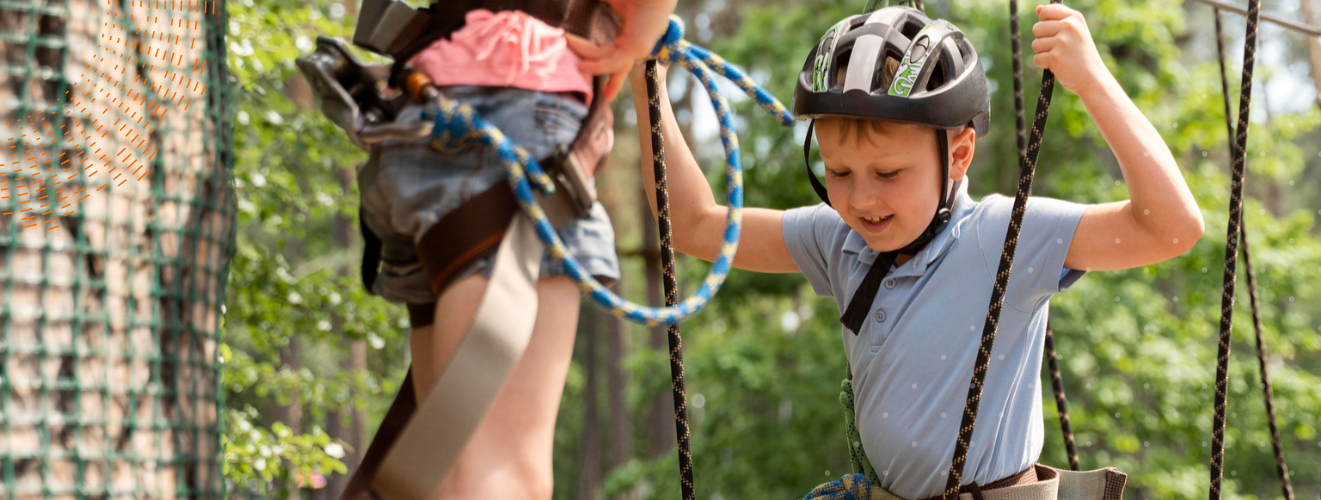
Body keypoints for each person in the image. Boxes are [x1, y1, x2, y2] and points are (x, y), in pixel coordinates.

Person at [628, 3, 1201, 498]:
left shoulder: (1005, 235)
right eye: (838, 171)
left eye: (888, 172)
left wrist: (1092, 80)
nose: (860, 198)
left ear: (958, 155)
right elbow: (696, 226)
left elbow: (1171, 228)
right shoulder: (841, 242)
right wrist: (642, 71)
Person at [353, 0, 675, 497]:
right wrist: (636, 40)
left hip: (418, 108)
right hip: (521, 112)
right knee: (502, 474)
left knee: (444, 471)